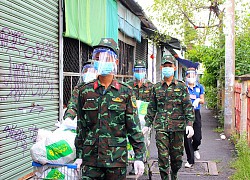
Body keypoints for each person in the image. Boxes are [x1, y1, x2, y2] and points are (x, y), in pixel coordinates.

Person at [74, 38, 146, 179]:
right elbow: (81, 127)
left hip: (116, 160)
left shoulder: (125, 92)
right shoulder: (85, 91)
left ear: (116, 62)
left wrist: (139, 156)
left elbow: (133, 126)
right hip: (91, 160)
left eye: (107, 58)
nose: (102, 62)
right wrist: (79, 155)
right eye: (98, 58)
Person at [143, 54, 195, 180]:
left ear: (174, 68)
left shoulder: (181, 87)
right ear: (161, 68)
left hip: (178, 127)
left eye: (169, 66)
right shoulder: (156, 88)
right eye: (165, 66)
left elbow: (188, 106)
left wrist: (189, 124)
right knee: (163, 156)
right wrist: (147, 125)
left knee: (177, 157)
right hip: (161, 128)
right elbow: (152, 108)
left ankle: (174, 174)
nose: (167, 68)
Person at [126, 60, 154, 175]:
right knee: (131, 141)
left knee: (145, 141)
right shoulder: (128, 86)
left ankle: (144, 163)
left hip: (145, 120)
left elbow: (153, 104)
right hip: (132, 119)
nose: (139, 73)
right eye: (137, 70)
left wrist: (149, 122)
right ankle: (134, 164)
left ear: (145, 72)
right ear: (133, 72)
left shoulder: (151, 87)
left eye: (141, 70)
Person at [184, 67, 205, 168]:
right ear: (186, 76)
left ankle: (195, 148)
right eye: (189, 75)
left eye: (193, 75)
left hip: (196, 112)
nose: (191, 77)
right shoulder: (184, 87)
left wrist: (197, 100)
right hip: (186, 113)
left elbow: (202, 100)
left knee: (197, 138)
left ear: (195, 76)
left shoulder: (199, 87)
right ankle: (190, 160)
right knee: (187, 137)